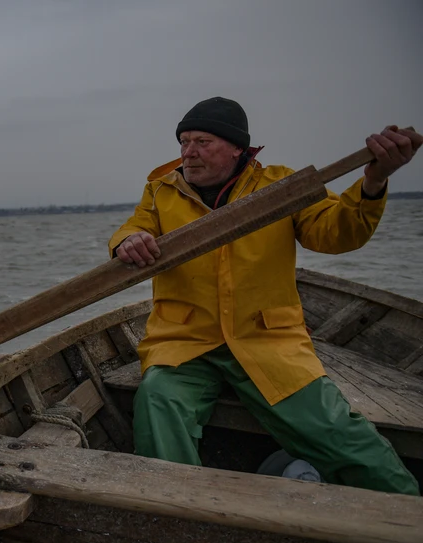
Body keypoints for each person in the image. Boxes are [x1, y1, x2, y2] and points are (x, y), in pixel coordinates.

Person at [109, 96, 421, 496]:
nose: (189, 152)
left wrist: (374, 180)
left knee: (336, 431)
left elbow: (339, 232)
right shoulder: (160, 191)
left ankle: (407, 514)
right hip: (184, 341)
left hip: (267, 341)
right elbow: (131, 230)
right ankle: (175, 515)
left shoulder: (280, 186)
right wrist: (128, 242)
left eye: (203, 142)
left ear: (238, 147)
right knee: (156, 403)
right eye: (184, 142)